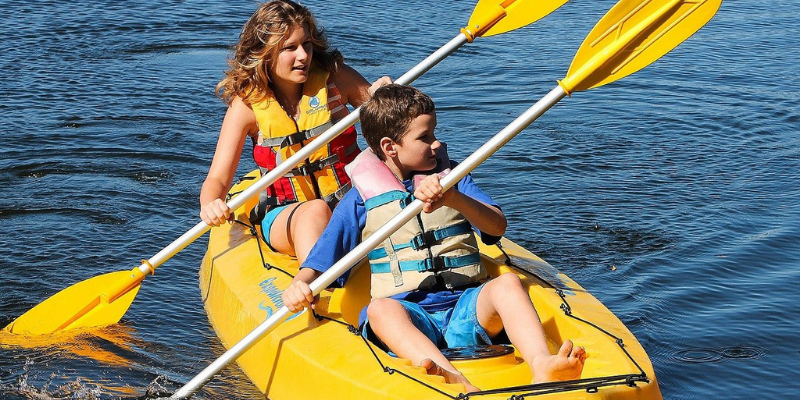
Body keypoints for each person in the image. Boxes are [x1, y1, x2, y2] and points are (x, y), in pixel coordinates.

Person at [282, 84, 586, 391]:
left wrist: (454, 198)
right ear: (390, 147)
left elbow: (497, 227)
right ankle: (454, 379)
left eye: (434, 133)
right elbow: (322, 260)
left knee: (508, 284)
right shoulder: (359, 199)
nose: (436, 143)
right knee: (379, 311)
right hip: (410, 315)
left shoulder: (454, 178)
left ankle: (541, 363)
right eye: (424, 137)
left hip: (467, 307)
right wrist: (300, 284)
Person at [199, 0, 389, 265]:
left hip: (350, 201)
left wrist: (386, 97)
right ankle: (316, 281)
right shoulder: (246, 107)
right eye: (290, 48)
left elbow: (392, 127)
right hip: (286, 213)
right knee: (315, 211)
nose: (303, 55)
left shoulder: (337, 80)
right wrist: (210, 204)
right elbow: (218, 178)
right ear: (264, 53)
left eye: (306, 44)